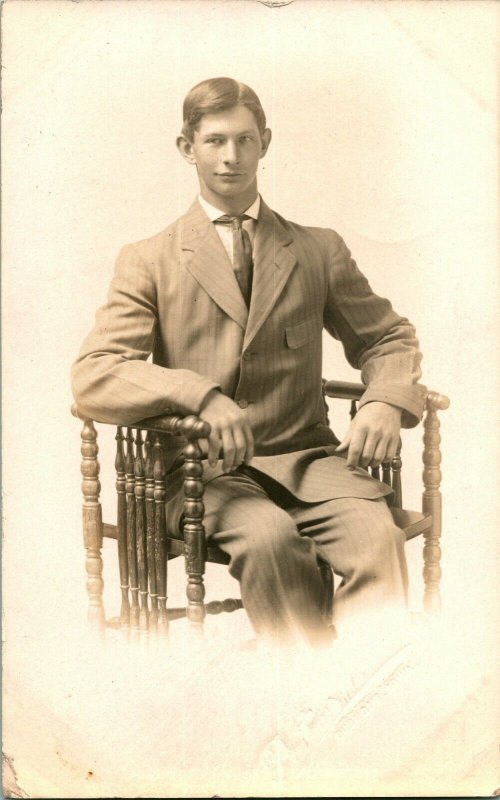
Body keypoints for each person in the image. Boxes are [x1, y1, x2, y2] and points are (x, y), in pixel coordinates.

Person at [72, 77, 426, 648]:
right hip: (200, 477)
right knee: (269, 540)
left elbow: (388, 337)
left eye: (243, 140)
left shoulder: (318, 250)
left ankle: (364, 693)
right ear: (187, 148)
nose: (231, 157)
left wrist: (384, 399)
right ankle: (302, 684)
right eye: (214, 141)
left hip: (309, 462)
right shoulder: (148, 259)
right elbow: (96, 371)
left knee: (376, 541)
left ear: (265, 142)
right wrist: (200, 395)